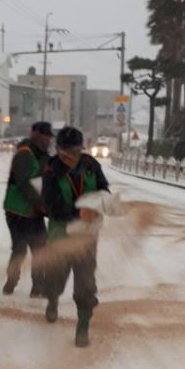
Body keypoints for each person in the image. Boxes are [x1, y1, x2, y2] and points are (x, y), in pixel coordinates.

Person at [41, 126, 110, 348]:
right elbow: (52, 206)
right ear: (59, 151)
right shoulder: (51, 171)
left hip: (87, 237)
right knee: (56, 278)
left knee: (85, 283)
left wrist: (100, 203)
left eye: (75, 151)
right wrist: (79, 211)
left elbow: (104, 190)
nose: (71, 157)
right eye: (66, 152)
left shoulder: (91, 166)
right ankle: (52, 299)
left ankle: (83, 327)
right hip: (61, 234)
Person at [2, 121, 53, 296]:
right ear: (34, 134)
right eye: (44, 136)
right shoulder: (24, 154)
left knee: (40, 249)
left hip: (34, 212)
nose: (47, 139)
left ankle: (37, 287)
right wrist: (40, 204)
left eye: (49, 136)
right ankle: (11, 281)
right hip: (17, 211)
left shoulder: (44, 156)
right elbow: (24, 183)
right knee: (20, 249)